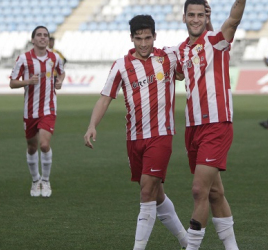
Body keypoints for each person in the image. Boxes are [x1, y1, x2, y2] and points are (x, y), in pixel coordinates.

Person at [83, 14, 205, 250]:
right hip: (134, 139)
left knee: (147, 191)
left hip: (161, 135)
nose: (143, 43)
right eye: (138, 39)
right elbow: (105, 98)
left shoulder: (167, 57)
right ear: (132, 39)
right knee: (156, 194)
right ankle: (185, 241)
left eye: (147, 38)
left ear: (154, 37)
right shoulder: (121, 65)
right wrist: (92, 125)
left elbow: (187, 65)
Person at [174, 0, 246, 249]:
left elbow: (234, 19)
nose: (195, 19)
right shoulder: (180, 51)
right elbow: (175, 72)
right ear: (184, 18)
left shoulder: (217, 42)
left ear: (207, 17)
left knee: (198, 190)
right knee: (214, 193)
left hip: (217, 124)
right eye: (190, 15)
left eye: (200, 15)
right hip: (192, 127)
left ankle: (191, 246)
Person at [9, 26, 66, 198]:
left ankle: (46, 181)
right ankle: (35, 181)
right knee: (32, 147)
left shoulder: (55, 57)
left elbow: (61, 74)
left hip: (49, 108)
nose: (42, 38)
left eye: (45, 35)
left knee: (44, 144)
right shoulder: (24, 59)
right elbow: (12, 83)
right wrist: (27, 81)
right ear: (33, 39)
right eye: (39, 35)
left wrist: (59, 82)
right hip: (30, 110)